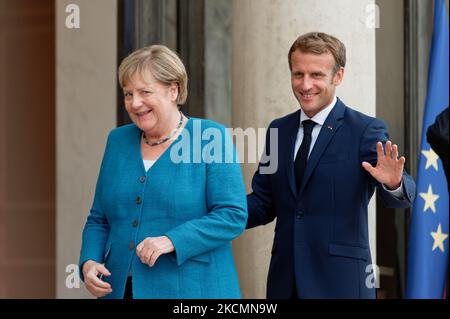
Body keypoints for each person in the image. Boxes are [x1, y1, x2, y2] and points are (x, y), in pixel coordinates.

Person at [246, 32, 416, 299]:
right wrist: (217, 210)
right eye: (298, 74)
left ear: (338, 77)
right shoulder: (278, 130)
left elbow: (402, 198)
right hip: (285, 283)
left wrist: (392, 182)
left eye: (316, 75)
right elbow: (263, 203)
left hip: (341, 285)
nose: (305, 84)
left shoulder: (365, 129)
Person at [79, 45, 247, 299]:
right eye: (128, 94)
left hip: (193, 291)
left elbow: (231, 215)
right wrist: (89, 262)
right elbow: (99, 218)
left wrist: (171, 240)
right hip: (120, 289)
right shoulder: (118, 140)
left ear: (173, 90)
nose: (135, 103)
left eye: (145, 92)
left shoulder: (210, 137)